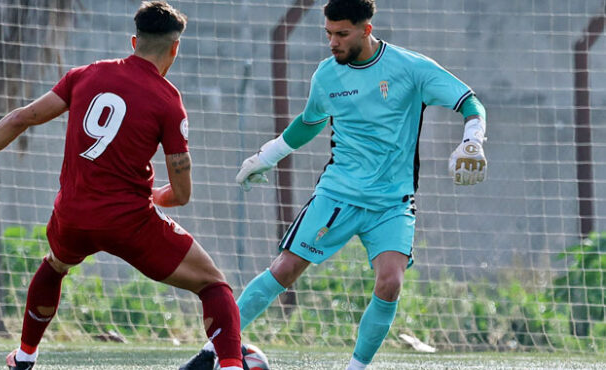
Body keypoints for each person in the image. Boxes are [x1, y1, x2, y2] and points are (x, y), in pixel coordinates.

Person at [0, 2, 244, 370]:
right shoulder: (168, 100)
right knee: (213, 284)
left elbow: (21, 117)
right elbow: (183, 193)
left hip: (74, 215)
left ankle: (25, 357)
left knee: (55, 265)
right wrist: (161, 196)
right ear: (175, 48)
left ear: (133, 41)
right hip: (130, 223)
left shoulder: (85, 75)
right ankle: (232, 364)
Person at [182, 0, 488, 369]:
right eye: (328, 34)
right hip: (337, 195)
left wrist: (473, 139)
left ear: (366, 30)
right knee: (285, 269)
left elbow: (469, 101)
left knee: (390, 283)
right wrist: (265, 158)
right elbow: (309, 122)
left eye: (342, 34)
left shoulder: (411, 68)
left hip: (392, 203)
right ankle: (209, 355)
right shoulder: (327, 75)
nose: (333, 42)